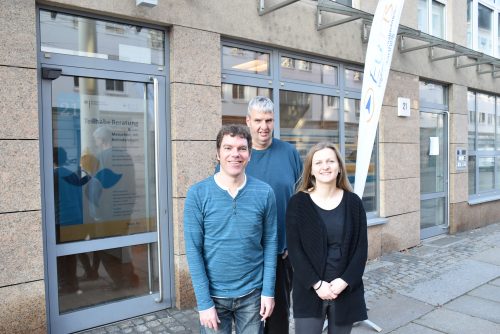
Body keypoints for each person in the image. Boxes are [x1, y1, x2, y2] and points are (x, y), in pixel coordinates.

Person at [184, 124, 278, 334]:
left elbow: (271, 243)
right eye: (228, 148)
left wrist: (268, 292)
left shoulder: (265, 193)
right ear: (218, 154)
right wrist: (204, 303)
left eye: (241, 148)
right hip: (214, 296)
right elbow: (193, 250)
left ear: (249, 155)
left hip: (252, 295)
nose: (235, 154)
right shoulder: (197, 194)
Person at [286, 142, 368, 334]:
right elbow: (295, 251)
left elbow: (361, 249)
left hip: (344, 290)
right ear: (311, 170)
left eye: (330, 161)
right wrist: (317, 284)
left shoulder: (353, 203)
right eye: (319, 162)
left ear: (339, 167)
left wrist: (344, 281)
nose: (325, 166)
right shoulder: (297, 203)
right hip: (309, 290)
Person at [245, 96, 302, 334]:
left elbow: (302, 200)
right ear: (248, 121)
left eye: (268, 120)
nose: (263, 126)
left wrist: (294, 241)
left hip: (281, 253)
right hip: (247, 255)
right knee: (249, 318)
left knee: (278, 317)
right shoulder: (237, 156)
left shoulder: (289, 153)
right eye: (258, 120)